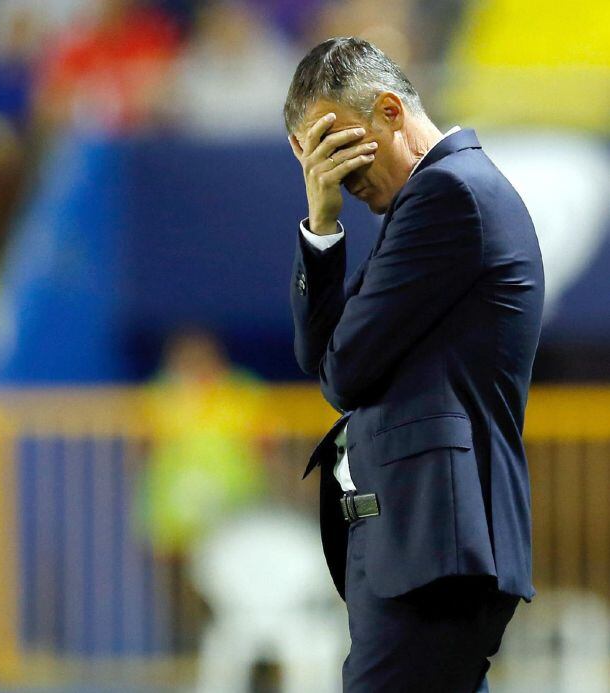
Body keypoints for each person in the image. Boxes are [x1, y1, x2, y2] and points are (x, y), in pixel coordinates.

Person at [284, 38, 544, 691]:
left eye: (338, 145)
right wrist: (321, 223)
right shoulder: (430, 200)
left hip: (436, 545)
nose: (335, 174)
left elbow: (343, 373)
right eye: (315, 157)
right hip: (424, 542)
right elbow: (322, 357)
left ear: (391, 111)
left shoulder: (449, 196)